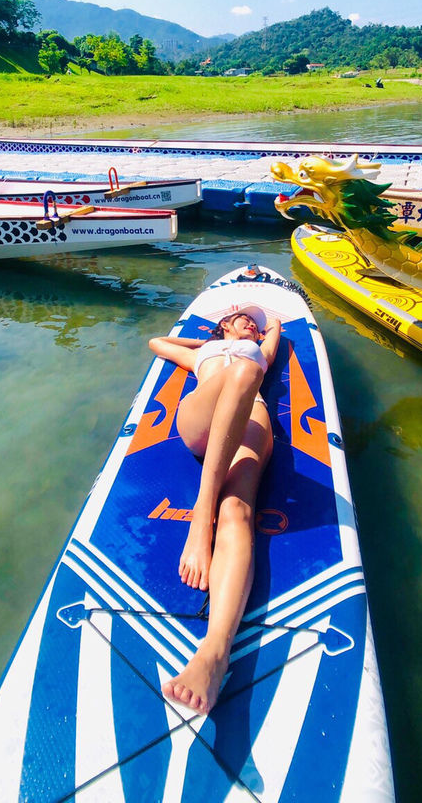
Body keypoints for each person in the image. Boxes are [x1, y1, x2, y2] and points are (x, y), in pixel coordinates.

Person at [148, 306, 282, 716]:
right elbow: (157, 343)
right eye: (246, 321)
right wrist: (209, 343)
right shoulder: (202, 354)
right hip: (203, 419)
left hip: (250, 416)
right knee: (243, 369)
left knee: (238, 509)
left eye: (256, 327)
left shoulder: (260, 349)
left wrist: (265, 328)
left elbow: (275, 334)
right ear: (226, 323)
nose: (253, 328)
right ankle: (202, 514)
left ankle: (214, 652)